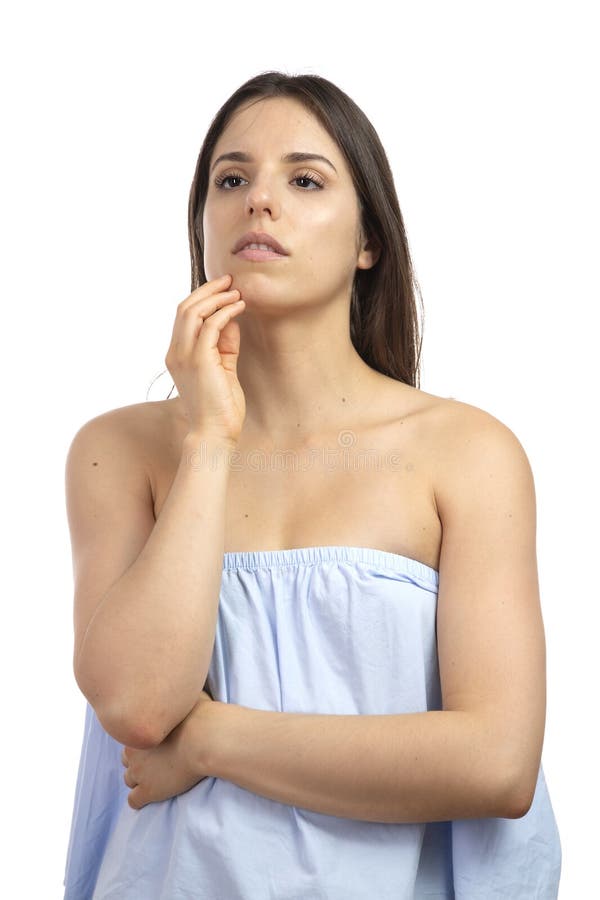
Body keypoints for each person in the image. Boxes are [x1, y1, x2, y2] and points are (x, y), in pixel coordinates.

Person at [62, 71, 561, 899]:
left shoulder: (467, 453)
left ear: (369, 241)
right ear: (203, 225)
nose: (259, 201)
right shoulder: (118, 450)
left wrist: (214, 739)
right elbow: (140, 707)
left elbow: (499, 764)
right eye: (231, 179)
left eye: (304, 179)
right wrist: (211, 440)